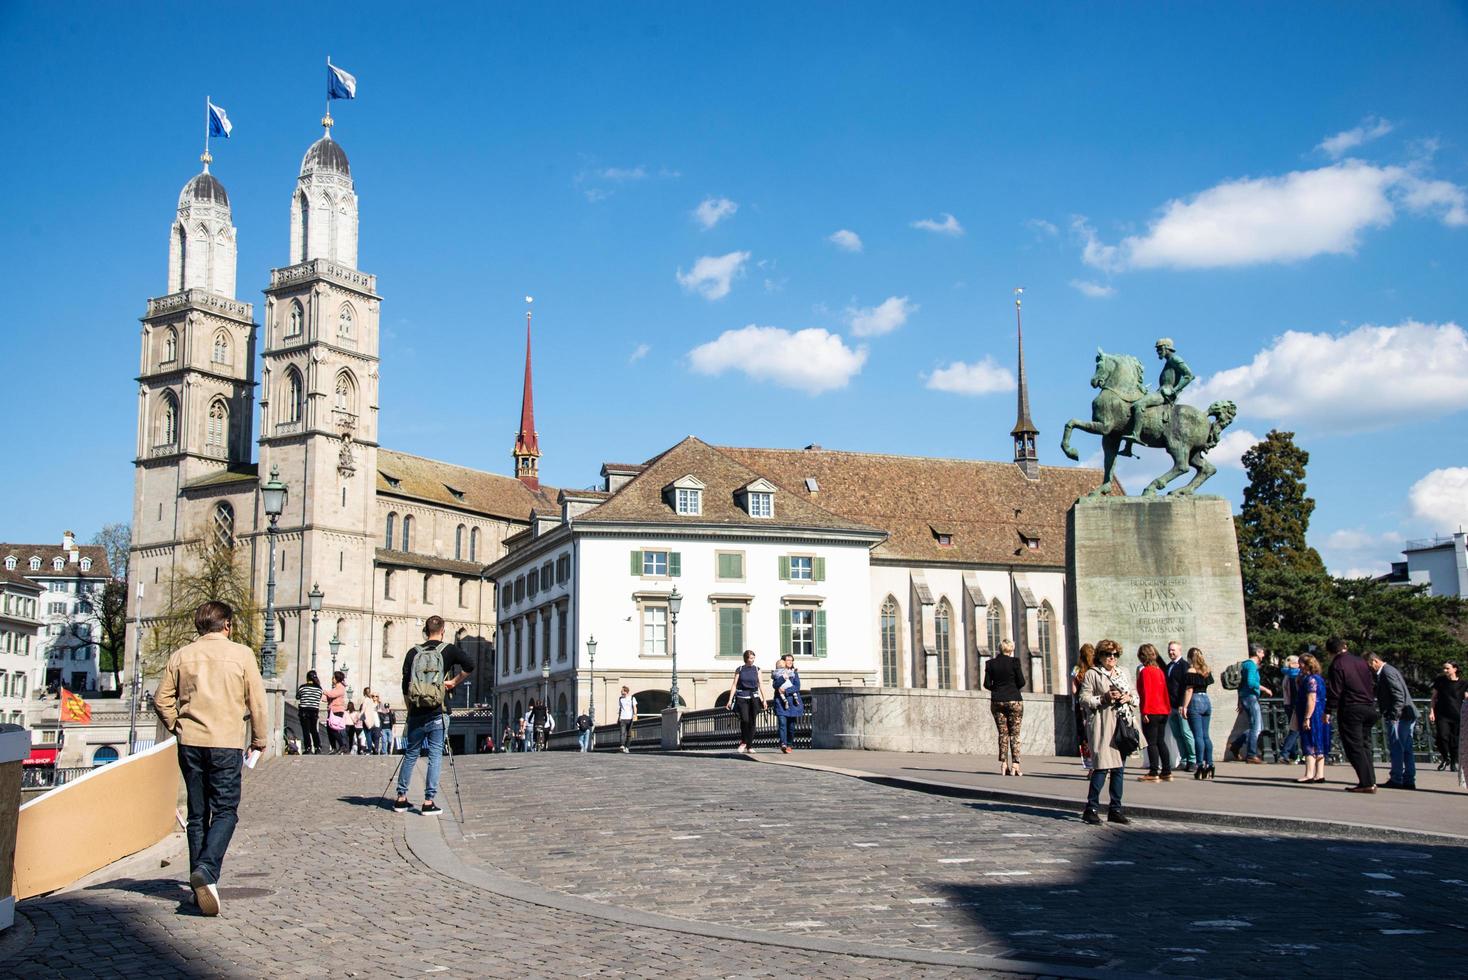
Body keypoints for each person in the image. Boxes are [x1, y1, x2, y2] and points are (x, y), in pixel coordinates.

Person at [153, 600, 267, 917]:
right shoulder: (242, 655)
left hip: (190, 743)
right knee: (226, 811)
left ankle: (199, 888)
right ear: (227, 625)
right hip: (226, 743)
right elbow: (257, 702)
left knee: (197, 814)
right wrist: (259, 739)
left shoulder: (181, 656)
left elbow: (161, 700)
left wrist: (178, 725)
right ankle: (207, 868)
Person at [393, 615, 474, 815]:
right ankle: (428, 801)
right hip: (439, 710)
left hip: (417, 711)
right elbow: (470, 665)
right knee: (435, 755)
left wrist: (410, 708)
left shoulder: (413, 652)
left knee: (411, 754)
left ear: (425, 631)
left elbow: (405, 685)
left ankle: (401, 798)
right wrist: (454, 682)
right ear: (443, 631)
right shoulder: (448, 650)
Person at [1078, 639, 1138, 824]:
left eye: (1115, 655)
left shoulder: (1123, 673)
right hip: (1103, 726)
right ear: (1100, 656)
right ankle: (1091, 808)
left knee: (1119, 768)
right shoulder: (1092, 674)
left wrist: (1128, 697)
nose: (1112, 658)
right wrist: (1104, 697)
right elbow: (1084, 698)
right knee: (1102, 767)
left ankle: (1115, 809)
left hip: (1122, 724)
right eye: (1108, 655)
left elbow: (1136, 696)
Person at [1121, 337, 1195, 456]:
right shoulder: (1169, 361)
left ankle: (1136, 435)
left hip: (1165, 393)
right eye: (1158, 349)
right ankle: (1127, 449)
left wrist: (1174, 391)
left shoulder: (1175, 359)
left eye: (1160, 349)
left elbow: (1189, 375)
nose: (1158, 351)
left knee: (1139, 405)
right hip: (1161, 391)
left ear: (1167, 348)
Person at [1325, 636, 1379, 793]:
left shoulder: (1337, 664)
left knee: (1354, 747)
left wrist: (1328, 710)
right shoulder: (1360, 661)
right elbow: (1370, 682)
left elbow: (1335, 690)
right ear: (1345, 646)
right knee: (1365, 745)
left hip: (1351, 708)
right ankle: (1371, 781)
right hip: (1368, 706)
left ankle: (1366, 783)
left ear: (1330, 651)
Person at [1366, 651, 1418, 791]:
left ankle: (1397, 778)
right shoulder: (1390, 670)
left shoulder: (1387, 672)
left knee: (1397, 748)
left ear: (1375, 661)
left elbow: (1398, 694)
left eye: (1370, 665)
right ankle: (1408, 779)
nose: (1370, 668)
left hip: (1400, 716)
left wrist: (1394, 714)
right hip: (1406, 714)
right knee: (1406, 749)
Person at [984, 639, 1027, 776]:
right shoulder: (1015, 662)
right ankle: (1015, 764)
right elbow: (1021, 681)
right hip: (1014, 700)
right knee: (1015, 734)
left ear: (1000, 649)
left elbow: (986, 684)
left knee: (1003, 733)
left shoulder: (990, 663)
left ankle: (1003, 764)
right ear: (1011, 649)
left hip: (997, 701)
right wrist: (1013, 689)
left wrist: (997, 689)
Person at [1226, 645, 1272, 764]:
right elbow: (1251, 683)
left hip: (1245, 697)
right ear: (1257, 652)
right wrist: (1265, 689)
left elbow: (1240, 685)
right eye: (1262, 653)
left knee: (1256, 726)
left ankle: (1235, 745)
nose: (1263, 655)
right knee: (1256, 727)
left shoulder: (1245, 664)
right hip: (1251, 698)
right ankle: (1251, 754)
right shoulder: (1251, 665)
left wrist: (1240, 700)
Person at [1135, 644, 1172, 782]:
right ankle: (1167, 770)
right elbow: (1164, 692)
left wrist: (1144, 711)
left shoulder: (1145, 671)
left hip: (1151, 709)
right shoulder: (1159, 671)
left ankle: (1154, 771)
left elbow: (1146, 692)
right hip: (1163, 709)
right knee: (1160, 741)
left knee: (1151, 742)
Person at [1180, 647, 1216, 780]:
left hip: (1195, 700)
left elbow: (1189, 690)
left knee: (1198, 736)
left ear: (1190, 658)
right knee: (1206, 736)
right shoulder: (1206, 670)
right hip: (1206, 699)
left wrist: (1184, 706)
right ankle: (1210, 764)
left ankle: (1200, 764)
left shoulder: (1191, 671)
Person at [725, 650, 768, 755]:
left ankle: (749, 745)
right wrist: (730, 700)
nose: (752, 660)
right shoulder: (740, 669)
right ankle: (743, 741)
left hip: (754, 697)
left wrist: (764, 699)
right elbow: (734, 684)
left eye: (753, 658)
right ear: (746, 658)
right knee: (745, 720)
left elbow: (760, 684)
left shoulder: (757, 669)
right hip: (742, 697)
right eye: (750, 658)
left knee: (752, 722)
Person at [1162, 641, 1196, 772]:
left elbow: (1186, 687)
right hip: (1170, 706)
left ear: (1180, 651)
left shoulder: (1184, 666)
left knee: (1186, 733)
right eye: (1169, 650)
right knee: (1177, 734)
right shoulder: (1168, 666)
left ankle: (1193, 760)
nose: (1171, 652)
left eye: (1173, 650)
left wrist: (1183, 704)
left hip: (1181, 706)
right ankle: (1184, 759)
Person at [1294, 653, 1328, 784]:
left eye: (1300, 663)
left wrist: (1307, 717)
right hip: (1321, 712)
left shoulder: (1310, 680)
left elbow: (1311, 699)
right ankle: (1319, 774)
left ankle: (1309, 774)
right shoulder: (1318, 678)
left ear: (1306, 664)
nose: (1299, 665)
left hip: (1312, 713)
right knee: (1320, 742)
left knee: (1309, 741)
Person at [1429, 661, 1465, 772]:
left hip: (1457, 715)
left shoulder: (1463, 683)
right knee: (1442, 736)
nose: (1445, 670)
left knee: (1455, 740)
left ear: (1455, 669)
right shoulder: (1440, 681)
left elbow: (1466, 697)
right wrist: (1431, 712)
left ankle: (1454, 762)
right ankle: (1445, 758)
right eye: (1444, 668)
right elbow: (1434, 697)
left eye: (1447, 668)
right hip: (1442, 714)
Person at [771, 653, 805, 754]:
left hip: (793, 703)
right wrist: (783, 678)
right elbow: (775, 685)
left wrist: (786, 691)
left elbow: (797, 687)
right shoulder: (778, 673)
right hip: (780, 702)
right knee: (782, 723)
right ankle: (783, 744)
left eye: (791, 660)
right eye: (788, 660)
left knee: (791, 726)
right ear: (783, 662)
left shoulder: (794, 673)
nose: (790, 662)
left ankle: (789, 744)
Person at [1071, 643, 1095, 769]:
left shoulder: (1076, 669)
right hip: (1093, 705)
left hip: (1080, 707)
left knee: (1084, 737)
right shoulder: (1096, 669)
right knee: (1095, 735)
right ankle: (1100, 765)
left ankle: (1090, 767)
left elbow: (1074, 690)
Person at [1278, 654, 1302, 764]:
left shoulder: (1287, 675)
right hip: (1294, 705)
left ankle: (1293, 754)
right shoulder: (1292, 676)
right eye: (1298, 662)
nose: (1300, 665)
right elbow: (1294, 693)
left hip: (1288, 704)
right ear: (1292, 664)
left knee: (1294, 729)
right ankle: (1285, 754)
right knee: (1295, 730)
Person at [295, 670, 324, 755]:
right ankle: (317, 747)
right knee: (314, 730)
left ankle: (308, 748)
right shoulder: (319, 688)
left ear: (307, 678)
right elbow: (318, 698)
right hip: (314, 711)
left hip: (304, 711)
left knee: (306, 730)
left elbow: (297, 696)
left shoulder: (303, 687)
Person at [323, 670, 348, 754]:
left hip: (337, 710)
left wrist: (324, 691)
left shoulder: (340, 687)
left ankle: (342, 746)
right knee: (329, 729)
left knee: (333, 729)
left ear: (337, 678)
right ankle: (333, 747)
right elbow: (329, 697)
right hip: (332, 710)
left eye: (333, 677)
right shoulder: (336, 688)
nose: (332, 679)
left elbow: (331, 694)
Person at [360, 689, 381, 756]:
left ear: (364, 693)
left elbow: (363, 710)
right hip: (371, 720)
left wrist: (360, 716)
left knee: (368, 735)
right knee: (370, 735)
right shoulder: (371, 701)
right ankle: (372, 748)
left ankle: (369, 749)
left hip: (366, 720)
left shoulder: (366, 700)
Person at [617, 687, 637, 753]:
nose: (621, 692)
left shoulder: (632, 698)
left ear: (626, 691)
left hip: (630, 718)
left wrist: (635, 715)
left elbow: (634, 707)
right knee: (622, 733)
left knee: (629, 734)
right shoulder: (620, 699)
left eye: (622, 691)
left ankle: (627, 747)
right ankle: (622, 745)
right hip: (623, 718)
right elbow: (620, 708)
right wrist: (619, 717)